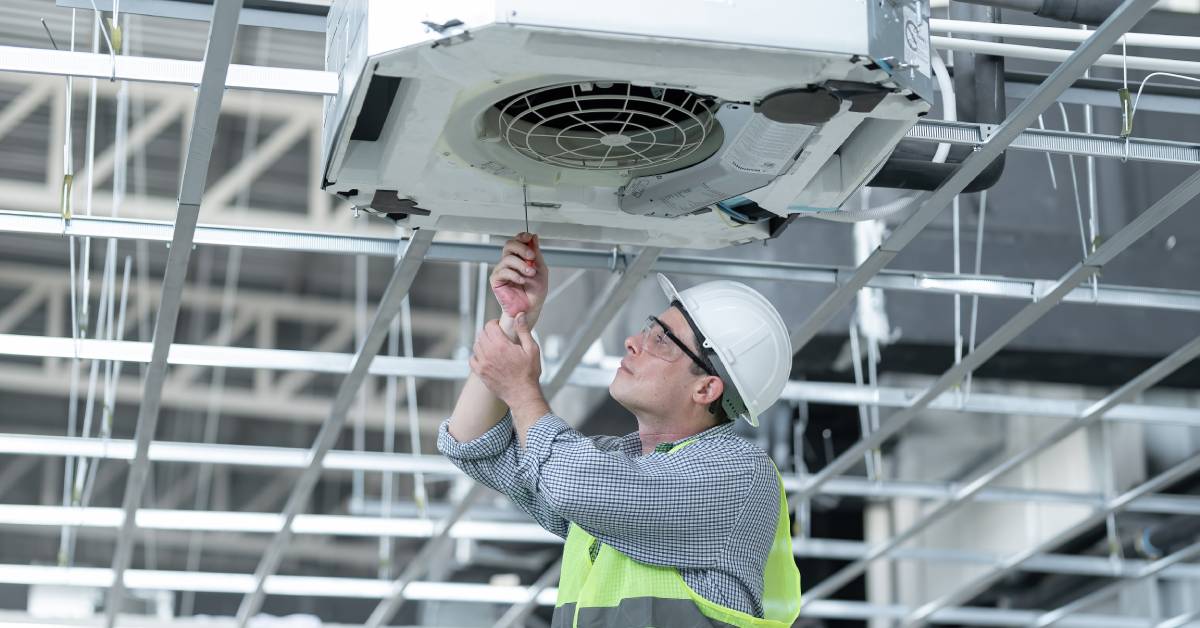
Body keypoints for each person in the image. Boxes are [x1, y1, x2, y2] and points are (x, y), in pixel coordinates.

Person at [437, 232, 802, 628]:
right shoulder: (614, 466)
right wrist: (514, 320)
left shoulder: (737, 473)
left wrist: (522, 391)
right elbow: (474, 445)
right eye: (648, 328)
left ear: (706, 388)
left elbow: (572, 484)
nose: (633, 342)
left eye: (661, 340)